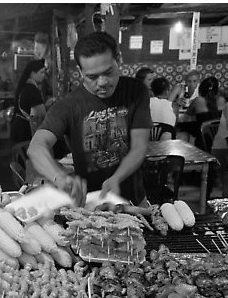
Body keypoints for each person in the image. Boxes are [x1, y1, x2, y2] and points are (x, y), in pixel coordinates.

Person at [27, 31, 152, 207]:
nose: (102, 82)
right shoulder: (69, 105)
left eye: (108, 72)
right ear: (80, 71)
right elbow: (36, 147)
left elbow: (139, 146)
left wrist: (116, 178)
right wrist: (60, 177)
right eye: (92, 76)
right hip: (91, 205)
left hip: (135, 201)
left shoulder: (136, 91)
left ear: (118, 59)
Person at [10, 59, 47, 143]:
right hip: (25, 131)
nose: (43, 76)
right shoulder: (32, 90)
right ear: (33, 74)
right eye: (41, 73)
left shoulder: (25, 86)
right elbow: (42, 114)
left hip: (17, 129)